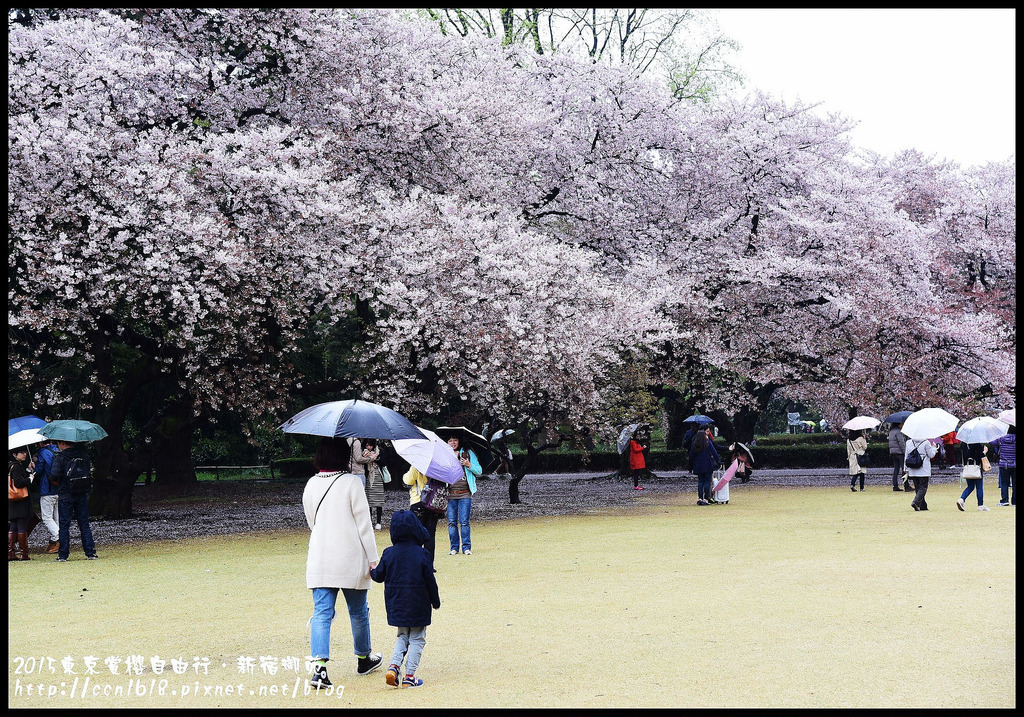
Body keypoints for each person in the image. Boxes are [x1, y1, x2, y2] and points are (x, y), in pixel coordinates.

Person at [303, 436, 383, 689]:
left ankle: (319, 670)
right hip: (349, 556)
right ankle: (363, 658)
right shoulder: (351, 482)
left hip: (320, 557)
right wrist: (373, 558)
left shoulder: (311, 483)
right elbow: (364, 525)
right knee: (358, 611)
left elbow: (311, 522)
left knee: (322, 614)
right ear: (343, 456)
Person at [370, 509, 441, 689]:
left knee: (402, 635)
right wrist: (435, 601)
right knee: (417, 638)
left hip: (397, 604)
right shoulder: (422, 554)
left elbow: (378, 576)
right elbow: (430, 581)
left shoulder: (389, 553)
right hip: (418, 604)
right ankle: (409, 675)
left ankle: (394, 667)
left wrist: (372, 569)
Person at [50, 439, 98, 562]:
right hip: (82, 492)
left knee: (64, 525)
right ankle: (90, 552)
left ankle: (63, 555)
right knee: (84, 524)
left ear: (62, 443)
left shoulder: (60, 458)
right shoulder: (84, 455)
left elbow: (54, 475)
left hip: (65, 494)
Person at [446, 436, 480, 556]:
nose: (452, 443)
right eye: (450, 441)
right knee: (451, 522)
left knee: (464, 521)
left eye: (455, 440)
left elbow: (479, 471)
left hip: (465, 493)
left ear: (459, 441)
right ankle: (454, 547)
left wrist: (468, 464)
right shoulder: (444, 454)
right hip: (450, 494)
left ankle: (466, 547)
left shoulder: (467, 453)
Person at [404, 466, 441, 560]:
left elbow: (408, 480)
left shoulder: (417, 465)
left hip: (418, 501)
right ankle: (429, 564)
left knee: (416, 535)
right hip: (433, 502)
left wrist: (405, 475)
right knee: (430, 535)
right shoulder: (437, 466)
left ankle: (417, 562)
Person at [8, 447, 34, 561]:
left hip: (13, 500)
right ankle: (24, 554)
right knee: (21, 525)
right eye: (22, 452)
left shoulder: (12, 466)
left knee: (13, 525)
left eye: (25, 452)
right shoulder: (17, 466)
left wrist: (28, 470)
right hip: (20, 500)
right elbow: (18, 483)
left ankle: (11, 553)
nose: (24, 454)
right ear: (14, 454)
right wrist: (30, 478)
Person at [35, 439, 61, 553]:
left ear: (40, 443)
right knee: (57, 517)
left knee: (46, 518)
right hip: (59, 489)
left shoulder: (42, 452)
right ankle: (55, 540)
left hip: (47, 490)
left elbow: (39, 471)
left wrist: (34, 464)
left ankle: (60, 537)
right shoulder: (58, 450)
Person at [905, 434, 939, 511]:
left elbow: (906, 456)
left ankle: (923, 506)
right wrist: (934, 448)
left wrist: (905, 468)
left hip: (912, 467)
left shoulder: (908, 442)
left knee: (918, 488)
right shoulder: (926, 442)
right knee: (923, 487)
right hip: (923, 468)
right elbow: (931, 455)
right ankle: (916, 502)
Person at [689, 427, 720, 506]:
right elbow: (714, 453)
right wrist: (718, 461)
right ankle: (706, 498)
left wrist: (691, 465)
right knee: (707, 482)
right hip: (707, 465)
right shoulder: (708, 443)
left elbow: (691, 456)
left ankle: (700, 498)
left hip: (698, 465)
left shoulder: (694, 445)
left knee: (700, 482)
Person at [956, 442, 990, 511]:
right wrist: (984, 452)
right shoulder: (976, 444)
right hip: (976, 467)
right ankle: (981, 505)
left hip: (967, 467)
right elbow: (980, 456)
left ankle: (961, 499)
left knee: (970, 486)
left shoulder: (963, 444)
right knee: (979, 487)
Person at [361, 438, 385, 530]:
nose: (369, 447)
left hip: (378, 476)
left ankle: (379, 522)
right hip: (368, 477)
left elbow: (384, 462)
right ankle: (369, 521)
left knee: (379, 499)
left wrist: (375, 458)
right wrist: (368, 458)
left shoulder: (379, 451)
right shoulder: (362, 453)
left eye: (370, 445)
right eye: (367, 445)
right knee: (369, 500)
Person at [989, 424, 1015, 507]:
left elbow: (991, 442)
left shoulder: (1001, 438)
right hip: (1015, 464)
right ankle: (1014, 502)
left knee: (1004, 483)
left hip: (1004, 464)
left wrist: (992, 432)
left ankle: (1004, 500)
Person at [888, 422, 908, 492]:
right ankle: (906, 485)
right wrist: (905, 452)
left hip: (893, 452)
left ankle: (895, 485)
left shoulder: (891, 432)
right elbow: (901, 443)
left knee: (896, 470)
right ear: (899, 424)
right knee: (904, 469)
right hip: (899, 452)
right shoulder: (899, 432)